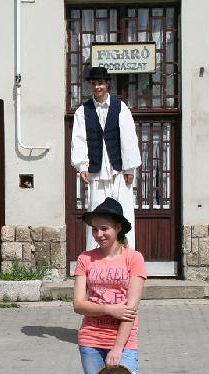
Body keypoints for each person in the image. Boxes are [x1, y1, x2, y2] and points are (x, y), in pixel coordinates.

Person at [72, 197, 152, 374]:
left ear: (118, 228)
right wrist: (109, 309)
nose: (99, 234)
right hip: (90, 342)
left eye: (104, 228)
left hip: (123, 343)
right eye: (94, 229)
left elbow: (130, 310)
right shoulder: (86, 259)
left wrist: (117, 348)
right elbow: (78, 305)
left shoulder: (134, 259)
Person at [71, 67, 142, 251]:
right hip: (96, 172)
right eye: (94, 84)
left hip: (119, 171)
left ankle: (126, 255)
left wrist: (129, 168)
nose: (97, 87)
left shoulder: (120, 107)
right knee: (97, 216)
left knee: (123, 214)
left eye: (100, 83)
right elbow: (79, 139)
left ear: (107, 84)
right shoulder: (82, 111)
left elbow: (128, 138)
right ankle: (95, 258)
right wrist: (82, 166)